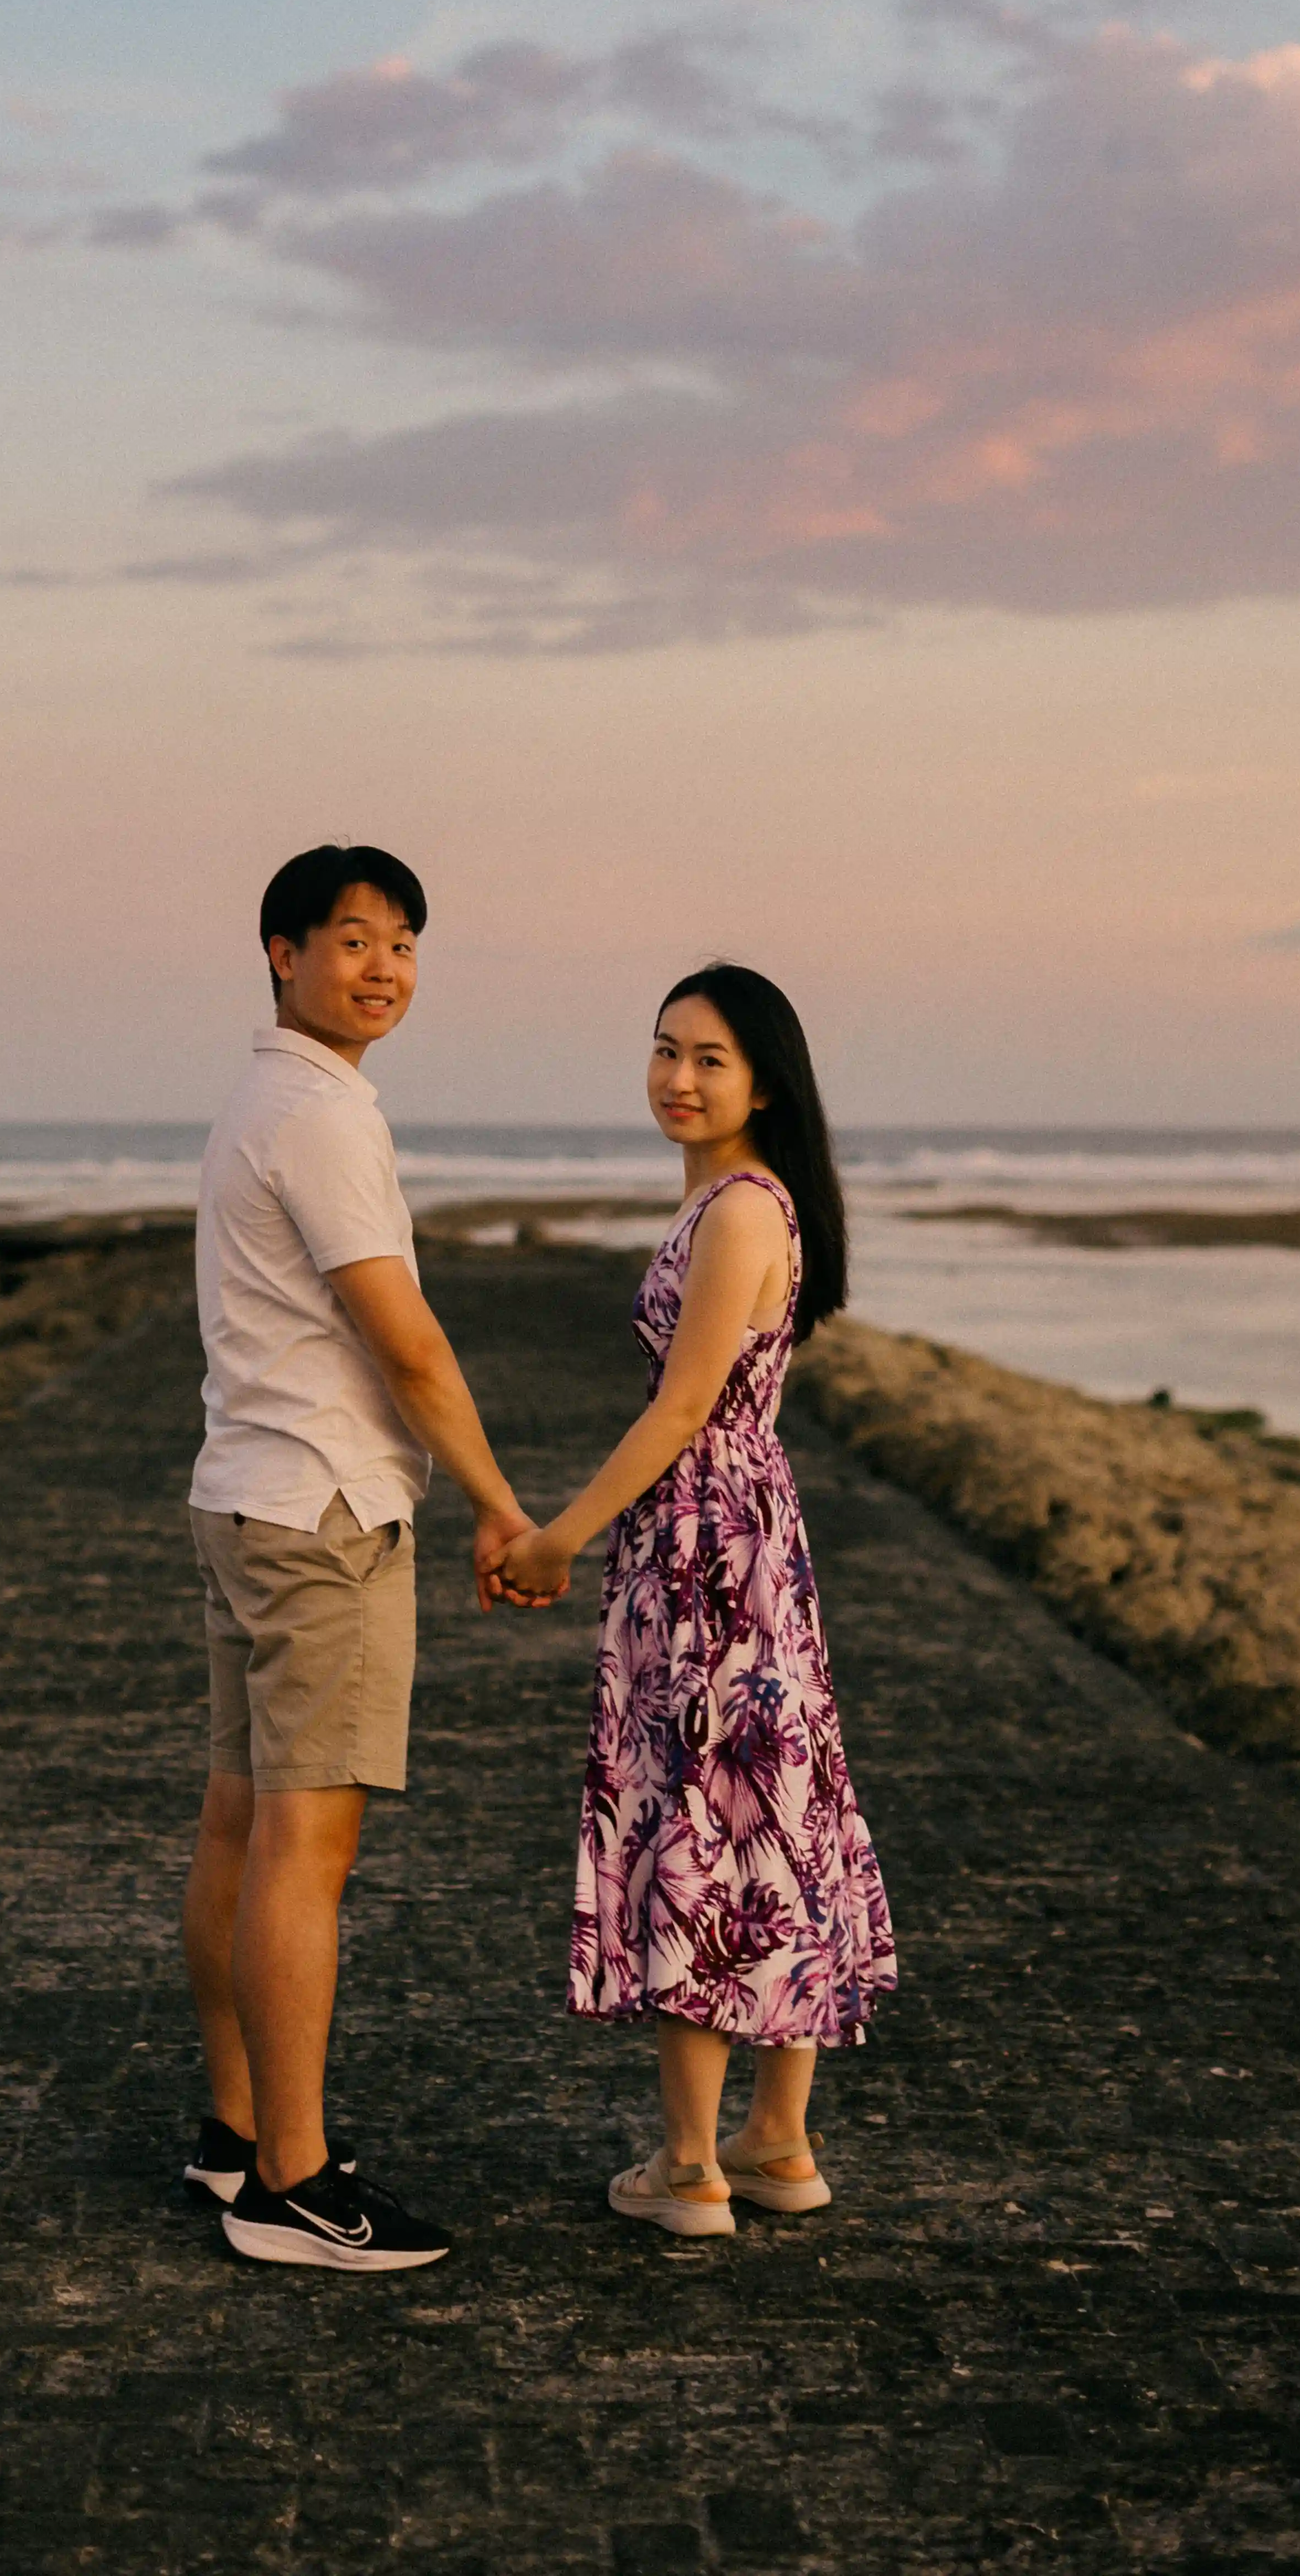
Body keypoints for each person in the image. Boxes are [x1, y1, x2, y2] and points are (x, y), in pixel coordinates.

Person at [496, 964, 896, 2237]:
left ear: (765, 1079)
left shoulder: (739, 1212)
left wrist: (558, 1532)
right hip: (731, 1537)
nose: (677, 1075)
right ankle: (776, 2140)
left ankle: (690, 2166)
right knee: (776, 1810)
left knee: (705, 1816)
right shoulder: (739, 1202)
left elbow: (682, 1410)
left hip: (708, 1541)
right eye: (665, 1049)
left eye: (710, 1057)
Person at [181, 844, 532, 2272]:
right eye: (350, 939)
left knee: (238, 1824)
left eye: (402, 944)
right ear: (280, 951)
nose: (382, 967)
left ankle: (231, 2130)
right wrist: (501, 1505)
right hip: (320, 1516)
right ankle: (293, 2179)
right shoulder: (318, 1117)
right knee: (301, 1850)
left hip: (245, 1496)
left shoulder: (265, 1099)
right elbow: (406, 1339)